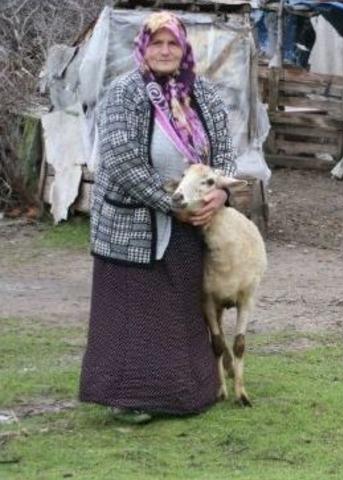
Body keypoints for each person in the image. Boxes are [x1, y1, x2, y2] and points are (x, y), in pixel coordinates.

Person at [79, 11, 237, 424]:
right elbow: (123, 161)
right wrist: (174, 206)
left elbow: (223, 151)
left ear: (184, 48)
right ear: (143, 48)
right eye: (156, 43)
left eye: (172, 44)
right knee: (135, 313)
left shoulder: (202, 93)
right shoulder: (125, 93)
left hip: (191, 223)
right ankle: (128, 397)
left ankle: (190, 391)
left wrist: (219, 194)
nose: (165, 51)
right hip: (133, 226)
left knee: (183, 309)